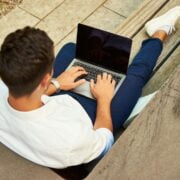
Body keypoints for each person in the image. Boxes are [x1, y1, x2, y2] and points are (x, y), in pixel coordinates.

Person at [0, 6, 179, 169]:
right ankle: (160, 31)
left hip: (51, 102)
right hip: (88, 117)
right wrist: (104, 99)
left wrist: (57, 83)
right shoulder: (70, 141)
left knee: (71, 50)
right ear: (43, 81)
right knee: (136, 76)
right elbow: (105, 141)